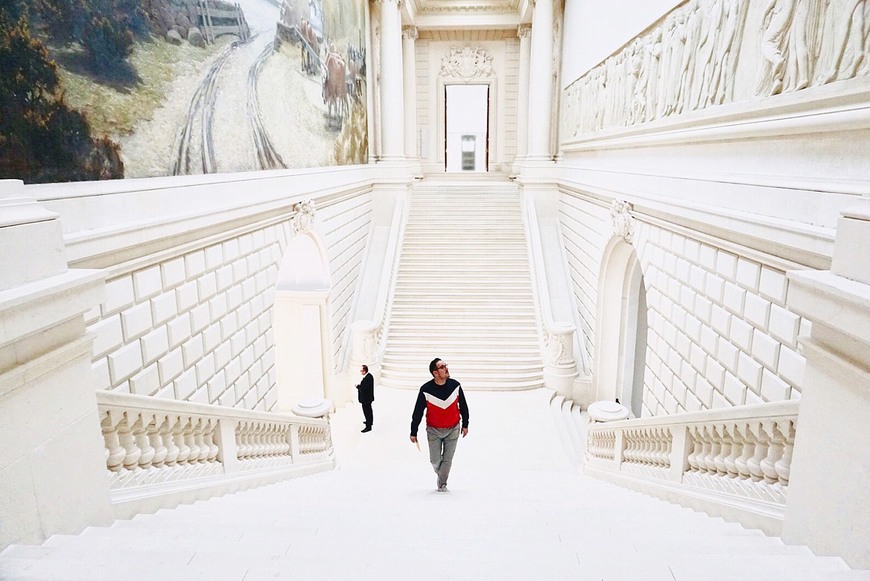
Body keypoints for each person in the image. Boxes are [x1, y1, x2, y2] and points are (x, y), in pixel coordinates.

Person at [410, 358, 469, 492]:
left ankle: (442, 485)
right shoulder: (426, 389)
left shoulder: (456, 386)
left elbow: (464, 406)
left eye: (445, 365)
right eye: (442, 367)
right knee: (435, 460)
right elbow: (418, 411)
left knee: (447, 461)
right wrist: (413, 431)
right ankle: (441, 474)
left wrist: (465, 424)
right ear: (435, 373)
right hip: (433, 431)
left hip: (453, 428)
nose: (446, 368)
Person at [356, 364, 374, 432]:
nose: (361, 372)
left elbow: (364, 389)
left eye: (361, 371)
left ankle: (368, 426)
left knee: (367, 412)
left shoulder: (367, 378)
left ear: (364, 371)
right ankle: (369, 421)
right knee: (368, 411)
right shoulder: (369, 376)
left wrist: (358, 386)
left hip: (366, 399)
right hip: (367, 398)